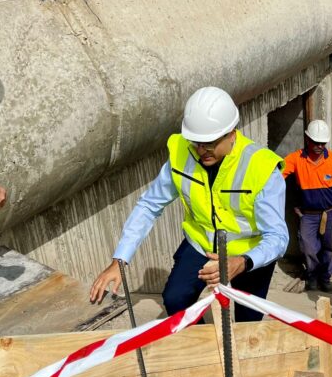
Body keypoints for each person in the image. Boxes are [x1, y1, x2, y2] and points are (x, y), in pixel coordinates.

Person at [90, 86, 288, 322]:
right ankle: (200, 346)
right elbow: (148, 206)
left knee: (248, 322)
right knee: (176, 300)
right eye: (196, 142)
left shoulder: (261, 168)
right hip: (200, 245)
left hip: (249, 254)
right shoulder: (182, 154)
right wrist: (119, 260)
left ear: (231, 133)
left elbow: (278, 237)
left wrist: (243, 262)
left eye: (209, 143)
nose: (201, 151)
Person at [282, 120, 332, 292]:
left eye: (322, 143)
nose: (319, 146)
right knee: (308, 247)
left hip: (330, 213)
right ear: (307, 139)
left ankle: (325, 279)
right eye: (315, 142)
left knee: (327, 248)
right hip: (308, 215)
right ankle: (312, 277)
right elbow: (277, 172)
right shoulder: (296, 159)